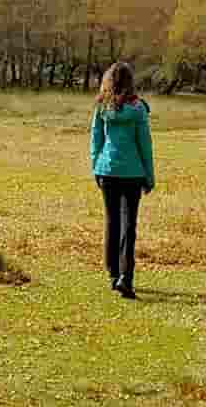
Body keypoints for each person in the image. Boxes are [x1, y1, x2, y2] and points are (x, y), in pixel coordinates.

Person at [90, 61, 154, 299]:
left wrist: (96, 166)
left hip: (107, 171)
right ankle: (126, 278)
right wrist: (149, 175)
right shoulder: (138, 109)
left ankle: (112, 272)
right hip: (133, 174)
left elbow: (95, 139)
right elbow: (145, 144)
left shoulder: (102, 107)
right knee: (129, 226)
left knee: (112, 222)